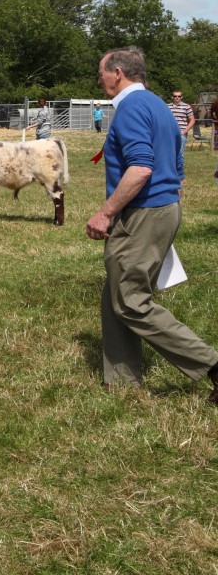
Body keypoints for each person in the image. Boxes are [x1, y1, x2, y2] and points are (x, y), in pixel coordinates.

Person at [86, 46, 218, 404]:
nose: (99, 79)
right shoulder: (157, 104)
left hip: (143, 212)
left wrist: (106, 213)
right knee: (116, 293)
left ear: (118, 73)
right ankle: (122, 381)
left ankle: (212, 364)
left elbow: (141, 167)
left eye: (101, 72)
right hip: (159, 209)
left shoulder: (131, 107)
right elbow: (175, 159)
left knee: (130, 301)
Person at [168, 90, 195, 173]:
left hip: (181, 133)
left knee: (180, 153)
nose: (177, 98)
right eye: (175, 96)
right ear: (172, 97)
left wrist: (185, 131)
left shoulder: (186, 107)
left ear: (181, 97)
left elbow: (192, 120)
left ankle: (179, 172)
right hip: (169, 134)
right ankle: (171, 170)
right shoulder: (167, 107)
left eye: (179, 96)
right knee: (169, 152)